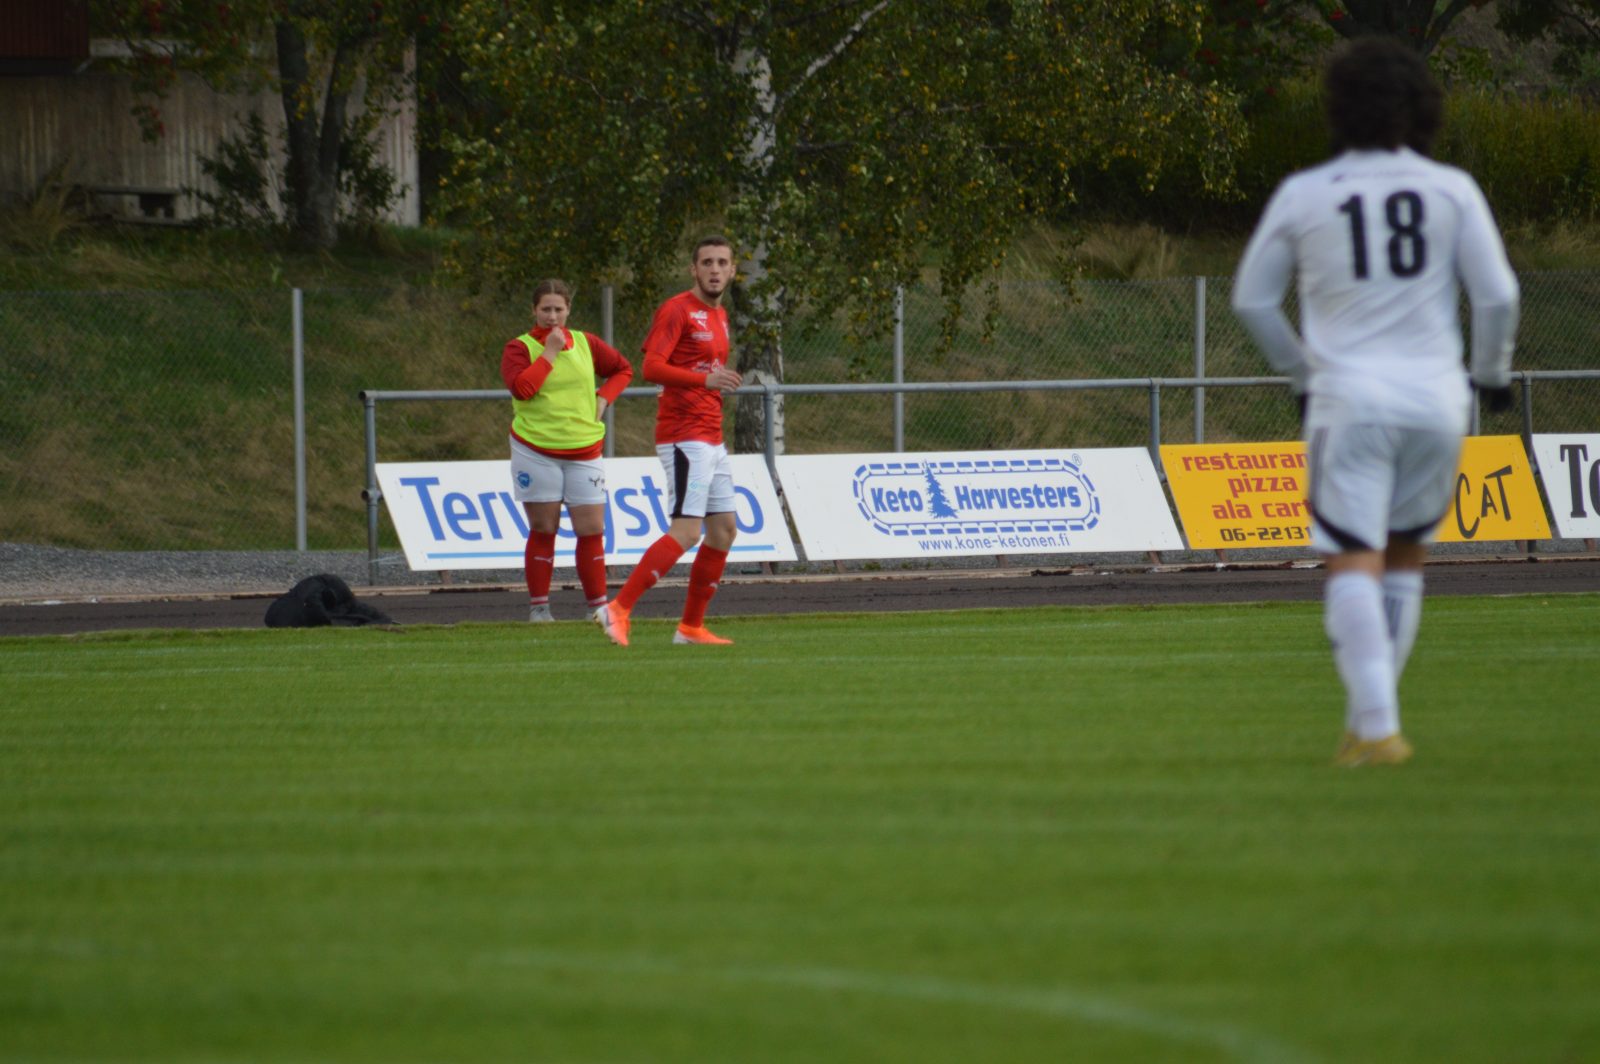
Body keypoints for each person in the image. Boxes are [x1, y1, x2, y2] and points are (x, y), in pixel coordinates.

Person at [1230, 37, 1519, 766]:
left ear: (1338, 108)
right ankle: (1370, 726)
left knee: (1352, 557)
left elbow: (1253, 302)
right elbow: (1497, 294)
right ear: (1423, 109)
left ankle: (1379, 725)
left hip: (1350, 398)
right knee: (1404, 558)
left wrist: (1300, 376)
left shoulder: (1305, 193)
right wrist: (1490, 373)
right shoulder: (1452, 189)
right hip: (1437, 398)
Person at [601, 236, 744, 647]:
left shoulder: (720, 315)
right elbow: (650, 366)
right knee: (686, 532)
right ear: (693, 270)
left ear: (732, 270)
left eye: (722, 263)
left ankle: (690, 628)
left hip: (711, 437)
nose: (715, 270)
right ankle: (618, 608)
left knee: (724, 531)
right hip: (685, 436)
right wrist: (705, 379)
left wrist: (709, 382)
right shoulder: (677, 309)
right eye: (707, 263)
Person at [502, 279, 634, 623]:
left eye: (558, 309)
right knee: (544, 528)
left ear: (568, 310)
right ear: (534, 310)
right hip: (536, 448)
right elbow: (523, 389)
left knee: (591, 529)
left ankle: (597, 608)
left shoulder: (587, 343)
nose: (552, 316)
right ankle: (540, 609)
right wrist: (549, 353)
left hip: (584, 448)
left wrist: (604, 397)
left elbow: (624, 369)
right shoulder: (519, 347)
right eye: (545, 309)